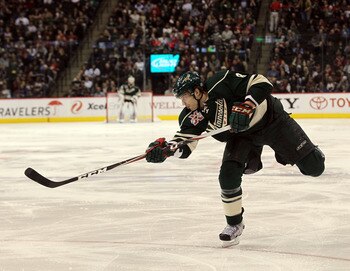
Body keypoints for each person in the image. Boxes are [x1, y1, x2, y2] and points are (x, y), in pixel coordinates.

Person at [145, 70, 325, 247]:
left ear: (197, 92)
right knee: (227, 176)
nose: (183, 102)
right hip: (241, 136)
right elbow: (185, 146)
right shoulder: (191, 115)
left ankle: (304, 152)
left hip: (272, 121)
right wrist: (167, 150)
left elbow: (262, 82)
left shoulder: (221, 82)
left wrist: (248, 104)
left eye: (184, 96)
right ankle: (234, 224)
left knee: (314, 168)